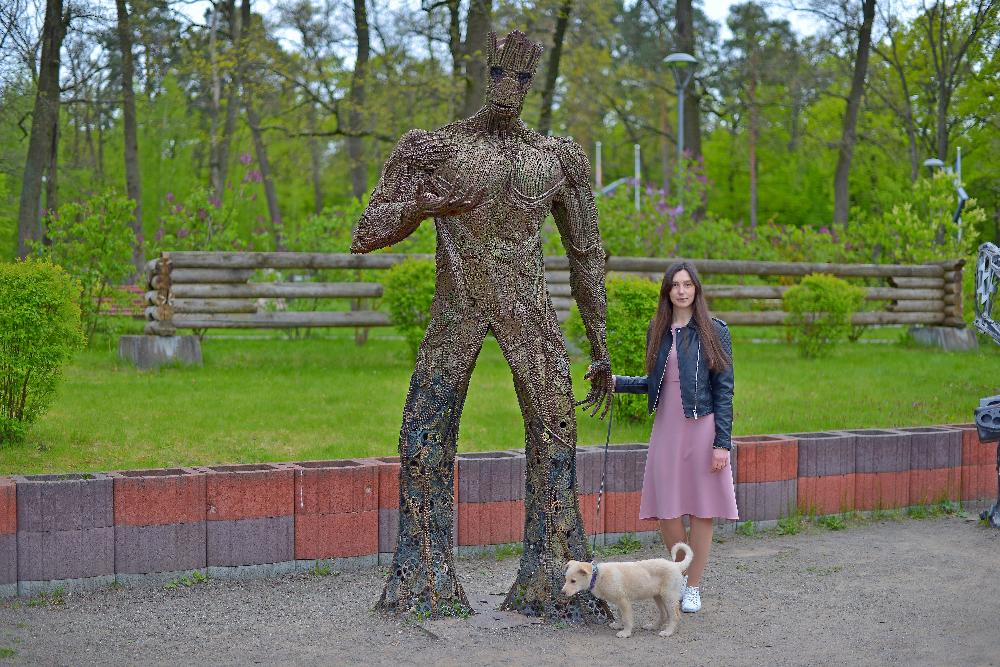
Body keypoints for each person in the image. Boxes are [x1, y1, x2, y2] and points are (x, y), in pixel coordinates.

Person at [613, 261, 738, 613]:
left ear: (696, 290)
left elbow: (724, 390)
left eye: (687, 284)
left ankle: (693, 587)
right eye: (675, 285)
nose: (681, 290)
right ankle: (679, 577)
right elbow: (656, 384)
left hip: (702, 429)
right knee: (667, 510)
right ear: (667, 291)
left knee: (702, 509)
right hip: (666, 430)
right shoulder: (659, 329)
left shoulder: (715, 330)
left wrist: (721, 443)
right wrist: (617, 382)